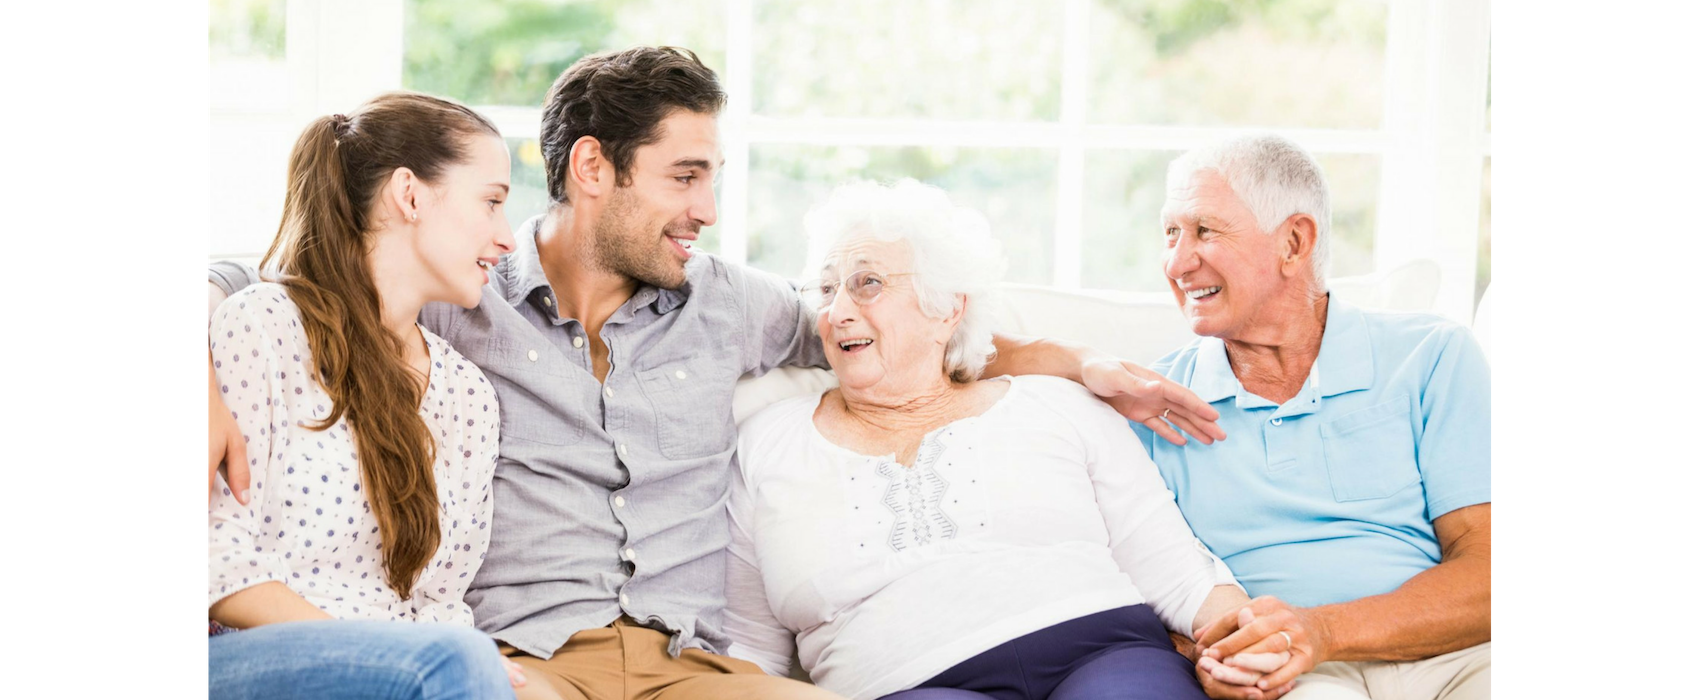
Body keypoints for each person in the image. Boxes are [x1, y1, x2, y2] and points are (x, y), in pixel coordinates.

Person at [208, 46, 1223, 700]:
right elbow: (297, 281)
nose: (705, 209)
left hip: (685, 665)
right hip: (529, 656)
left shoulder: (732, 303)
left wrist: (1073, 359)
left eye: (713, 180)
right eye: (683, 177)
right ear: (594, 170)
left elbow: (900, 328)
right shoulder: (457, 299)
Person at [723, 180, 1288, 700]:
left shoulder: (1056, 403)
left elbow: (1175, 567)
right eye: (824, 290)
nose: (837, 311)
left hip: (1106, 651)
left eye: (867, 283)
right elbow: (747, 645)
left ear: (948, 309)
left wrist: (1240, 639)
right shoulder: (765, 444)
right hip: (908, 683)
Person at [1131, 134, 1492, 700]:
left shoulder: (1432, 356)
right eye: (1170, 233)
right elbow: (1133, 589)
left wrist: (1323, 631)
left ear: (1294, 242)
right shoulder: (1151, 405)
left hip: (1453, 655)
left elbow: (1487, 569)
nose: (1177, 262)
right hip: (1288, 675)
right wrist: (1205, 653)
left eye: (1204, 231)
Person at [206, 91, 525, 698]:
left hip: (411, 666)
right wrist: (383, 657)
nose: (506, 238)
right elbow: (217, 559)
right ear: (409, 195)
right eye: (491, 203)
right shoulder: (263, 326)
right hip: (248, 655)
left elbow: (440, 600)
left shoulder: (467, 396)